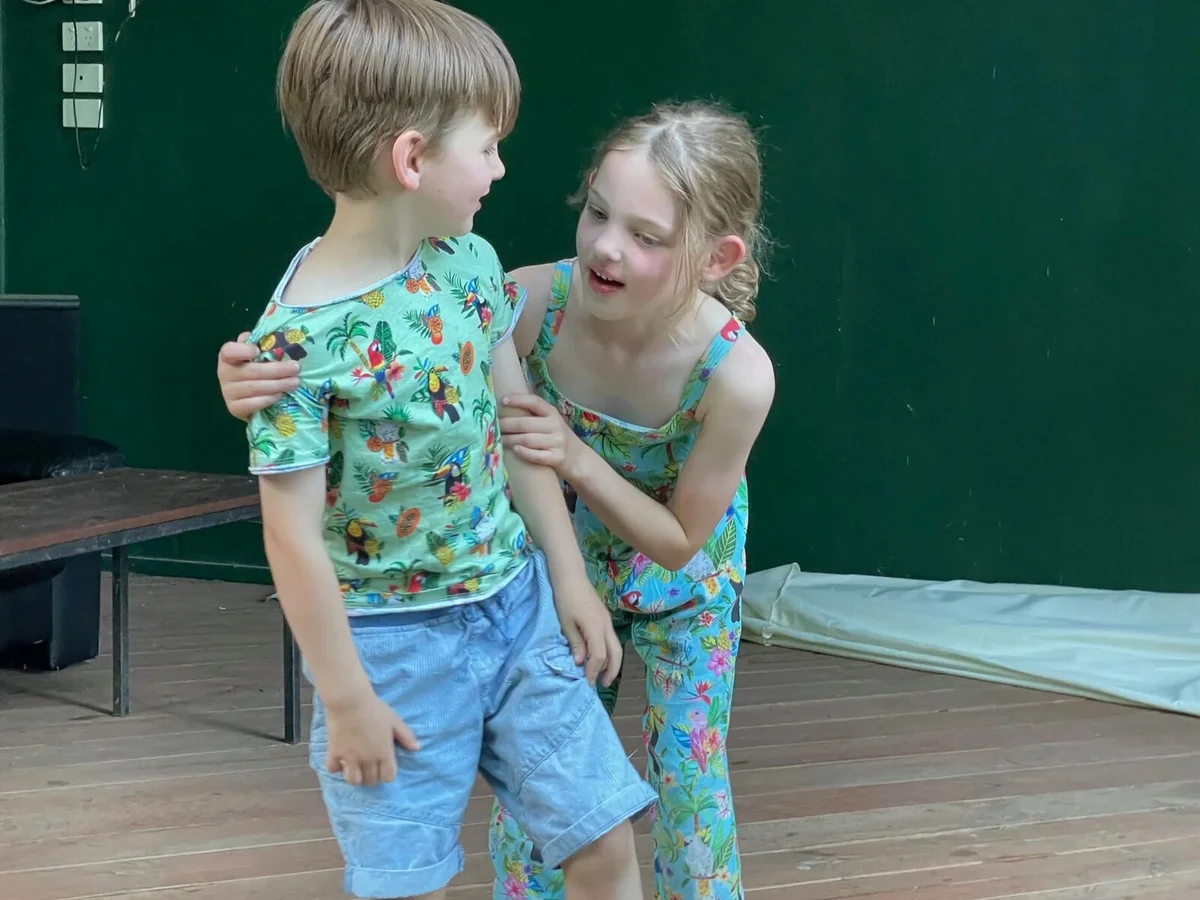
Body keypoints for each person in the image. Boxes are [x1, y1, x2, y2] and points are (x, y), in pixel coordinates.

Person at [218, 99, 775, 900]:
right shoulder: (522, 298)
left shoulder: (737, 374)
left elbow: (680, 539)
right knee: (548, 804)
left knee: (689, 777)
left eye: (646, 237)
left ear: (716, 258)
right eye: (597, 213)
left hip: (680, 570)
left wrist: (576, 459)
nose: (607, 246)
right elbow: (399, 354)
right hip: (547, 559)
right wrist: (257, 384)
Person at [238, 2, 656, 899]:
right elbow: (292, 538)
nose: (501, 168)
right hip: (387, 652)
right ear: (412, 158)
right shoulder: (292, 344)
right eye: (489, 145)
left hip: (514, 610)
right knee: (405, 883)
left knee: (605, 844)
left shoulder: (467, 262)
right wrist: (346, 698)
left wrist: (569, 576)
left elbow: (519, 425)